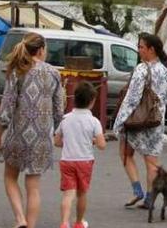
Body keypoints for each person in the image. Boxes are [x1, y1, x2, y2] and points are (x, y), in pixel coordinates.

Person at [0, 32, 64, 228]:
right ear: (42, 50)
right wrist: (55, 131)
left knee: (10, 177)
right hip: (42, 138)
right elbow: (59, 109)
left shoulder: (17, 71)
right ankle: (30, 226)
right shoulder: (54, 73)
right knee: (33, 187)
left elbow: (7, 106)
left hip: (18, 134)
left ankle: (20, 219)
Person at [113, 33, 167, 210]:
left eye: (141, 47)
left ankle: (137, 189)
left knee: (126, 154)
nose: (139, 50)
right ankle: (150, 197)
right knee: (152, 162)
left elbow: (132, 99)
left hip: (137, 121)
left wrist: (119, 121)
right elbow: (164, 99)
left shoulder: (141, 69)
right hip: (155, 121)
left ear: (151, 49)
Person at [55, 81, 106, 228]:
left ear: (74, 99)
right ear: (92, 101)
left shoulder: (65, 119)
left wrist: (69, 142)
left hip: (67, 160)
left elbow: (57, 141)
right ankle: (78, 222)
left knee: (68, 194)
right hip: (85, 161)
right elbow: (102, 145)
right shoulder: (94, 121)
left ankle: (64, 223)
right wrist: (94, 141)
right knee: (82, 193)